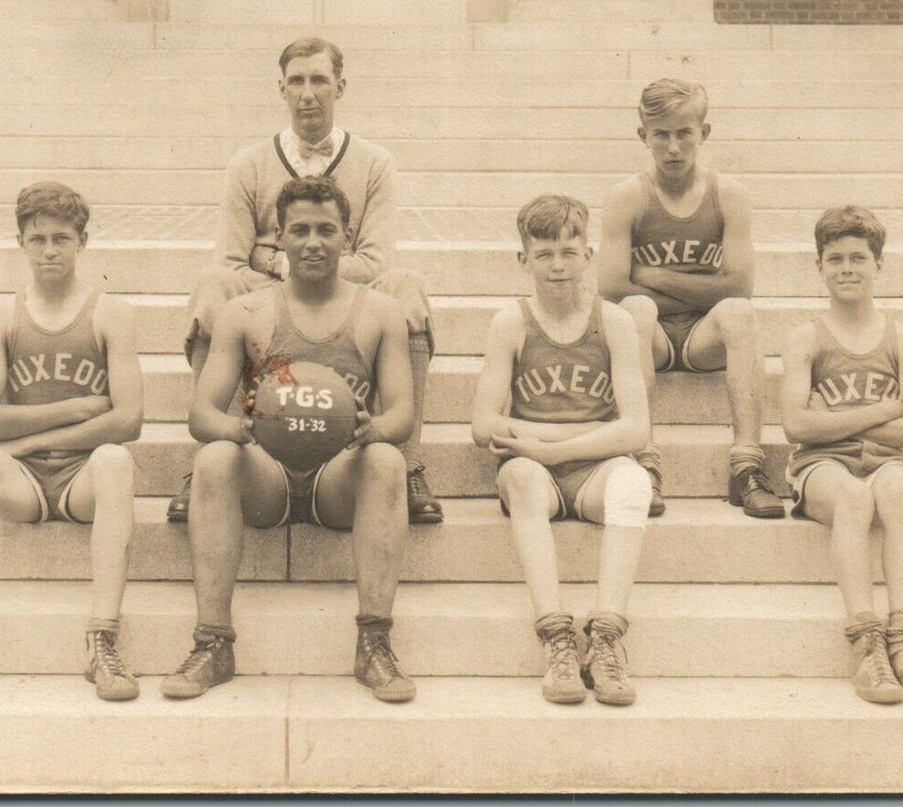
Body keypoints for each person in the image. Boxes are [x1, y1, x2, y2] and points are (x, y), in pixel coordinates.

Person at [161, 176, 417, 703]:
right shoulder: (246, 312)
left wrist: (372, 429)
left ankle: (375, 642)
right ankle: (213, 642)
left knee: (387, 460)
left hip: (337, 477)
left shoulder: (380, 312)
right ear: (278, 237)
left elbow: (402, 414)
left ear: (347, 236)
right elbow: (201, 414)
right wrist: (239, 429)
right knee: (215, 457)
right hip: (268, 476)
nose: (313, 243)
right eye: (299, 230)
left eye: (326, 230)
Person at [169, 37, 441, 525]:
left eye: (319, 80)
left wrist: (275, 260)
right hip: (265, 302)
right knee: (213, 286)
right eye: (296, 81)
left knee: (405, 287)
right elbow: (231, 261)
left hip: (345, 296)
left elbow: (375, 263)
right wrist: (284, 281)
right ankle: (214, 459)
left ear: (340, 86)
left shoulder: (374, 162)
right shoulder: (248, 163)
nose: (308, 93)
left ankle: (409, 464)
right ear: (281, 89)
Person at [0, 183, 144, 704]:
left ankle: (103, 640)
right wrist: (74, 409)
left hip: (83, 479)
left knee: (115, 459)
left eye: (61, 239)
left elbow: (128, 421)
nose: (49, 251)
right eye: (37, 240)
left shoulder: (110, 313)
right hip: (25, 485)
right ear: (20, 243)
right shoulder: (0, 315)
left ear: (83, 241)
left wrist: (28, 440)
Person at [470, 195, 653, 706]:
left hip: (593, 469)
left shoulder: (613, 322)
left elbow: (637, 429)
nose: (557, 266)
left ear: (588, 255)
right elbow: (483, 424)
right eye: (544, 254)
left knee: (634, 481)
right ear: (523, 259)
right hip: (534, 471)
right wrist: (562, 445)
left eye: (569, 253)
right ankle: (557, 637)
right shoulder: (511, 322)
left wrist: (549, 446)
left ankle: (607, 637)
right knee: (523, 477)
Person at [598, 78, 782, 519]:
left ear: (705, 133)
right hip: (652, 339)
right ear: (643, 136)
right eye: (661, 135)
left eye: (685, 133)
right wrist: (698, 290)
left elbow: (740, 288)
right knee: (635, 309)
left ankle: (746, 466)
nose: (674, 147)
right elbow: (612, 289)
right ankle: (643, 462)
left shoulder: (728, 195)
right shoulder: (628, 196)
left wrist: (654, 275)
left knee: (738, 312)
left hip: (704, 338)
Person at [780, 206, 903, 705]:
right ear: (818, 267)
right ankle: (867, 641)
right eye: (835, 259)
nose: (847, 268)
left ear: (878, 264)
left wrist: (837, 417)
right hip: (821, 465)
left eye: (858, 258)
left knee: (896, 487)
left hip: (890, 461)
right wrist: (887, 408)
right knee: (853, 496)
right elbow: (796, 426)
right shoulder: (806, 338)